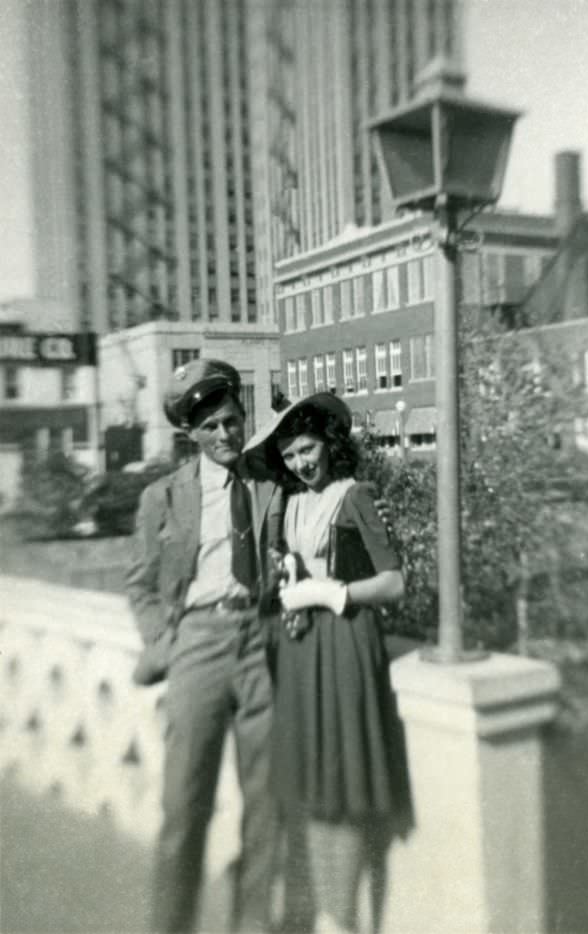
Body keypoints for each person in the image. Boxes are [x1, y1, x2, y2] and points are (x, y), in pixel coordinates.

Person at [243, 392, 411, 934]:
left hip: (344, 641)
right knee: (312, 785)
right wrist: (290, 577)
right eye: (290, 456)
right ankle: (326, 913)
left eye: (308, 449)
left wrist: (331, 591)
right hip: (300, 649)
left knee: (340, 786)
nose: (300, 463)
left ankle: (343, 919)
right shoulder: (290, 504)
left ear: (329, 445)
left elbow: (394, 582)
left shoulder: (355, 495)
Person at [126, 359, 284, 934]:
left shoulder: (270, 485)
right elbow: (140, 584)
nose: (225, 435)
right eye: (212, 426)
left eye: (232, 421)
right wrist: (163, 643)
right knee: (183, 805)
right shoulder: (162, 498)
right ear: (190, 434)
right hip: (198, 646)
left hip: (260, 644)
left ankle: (253, 926)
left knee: (266, 807)